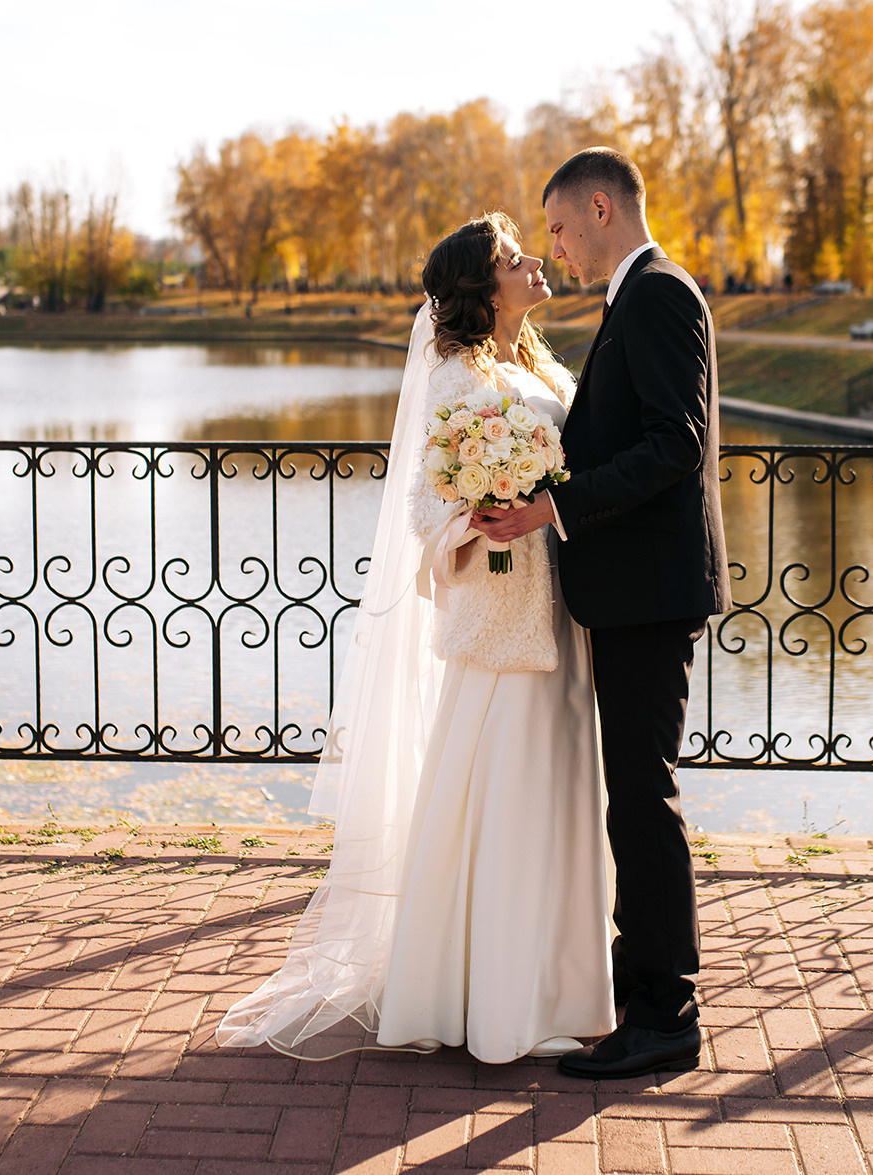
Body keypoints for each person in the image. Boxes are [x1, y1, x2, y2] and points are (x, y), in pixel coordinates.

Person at [216, 212, 614, 1064]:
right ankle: (492, 997)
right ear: (483, 287)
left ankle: (558, 982)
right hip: (500, 614)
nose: (534, 261)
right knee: (505, 794)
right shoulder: (451, 374)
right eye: (514, 258)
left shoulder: (536, 361)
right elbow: (425, 509)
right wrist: (481, 517)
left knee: (560, 786)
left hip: (563, 608)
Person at [475, 147, 731, 1080]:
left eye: (557, 228)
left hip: (652, 593)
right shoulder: (637, 295)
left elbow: (674, 444)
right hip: (633, 591)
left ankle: (666, 1014)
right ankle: (647, 996)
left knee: (644, 799)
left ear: (598, 206)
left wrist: (553, 505)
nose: (556, 247)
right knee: (635, 795)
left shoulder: (659, 293)